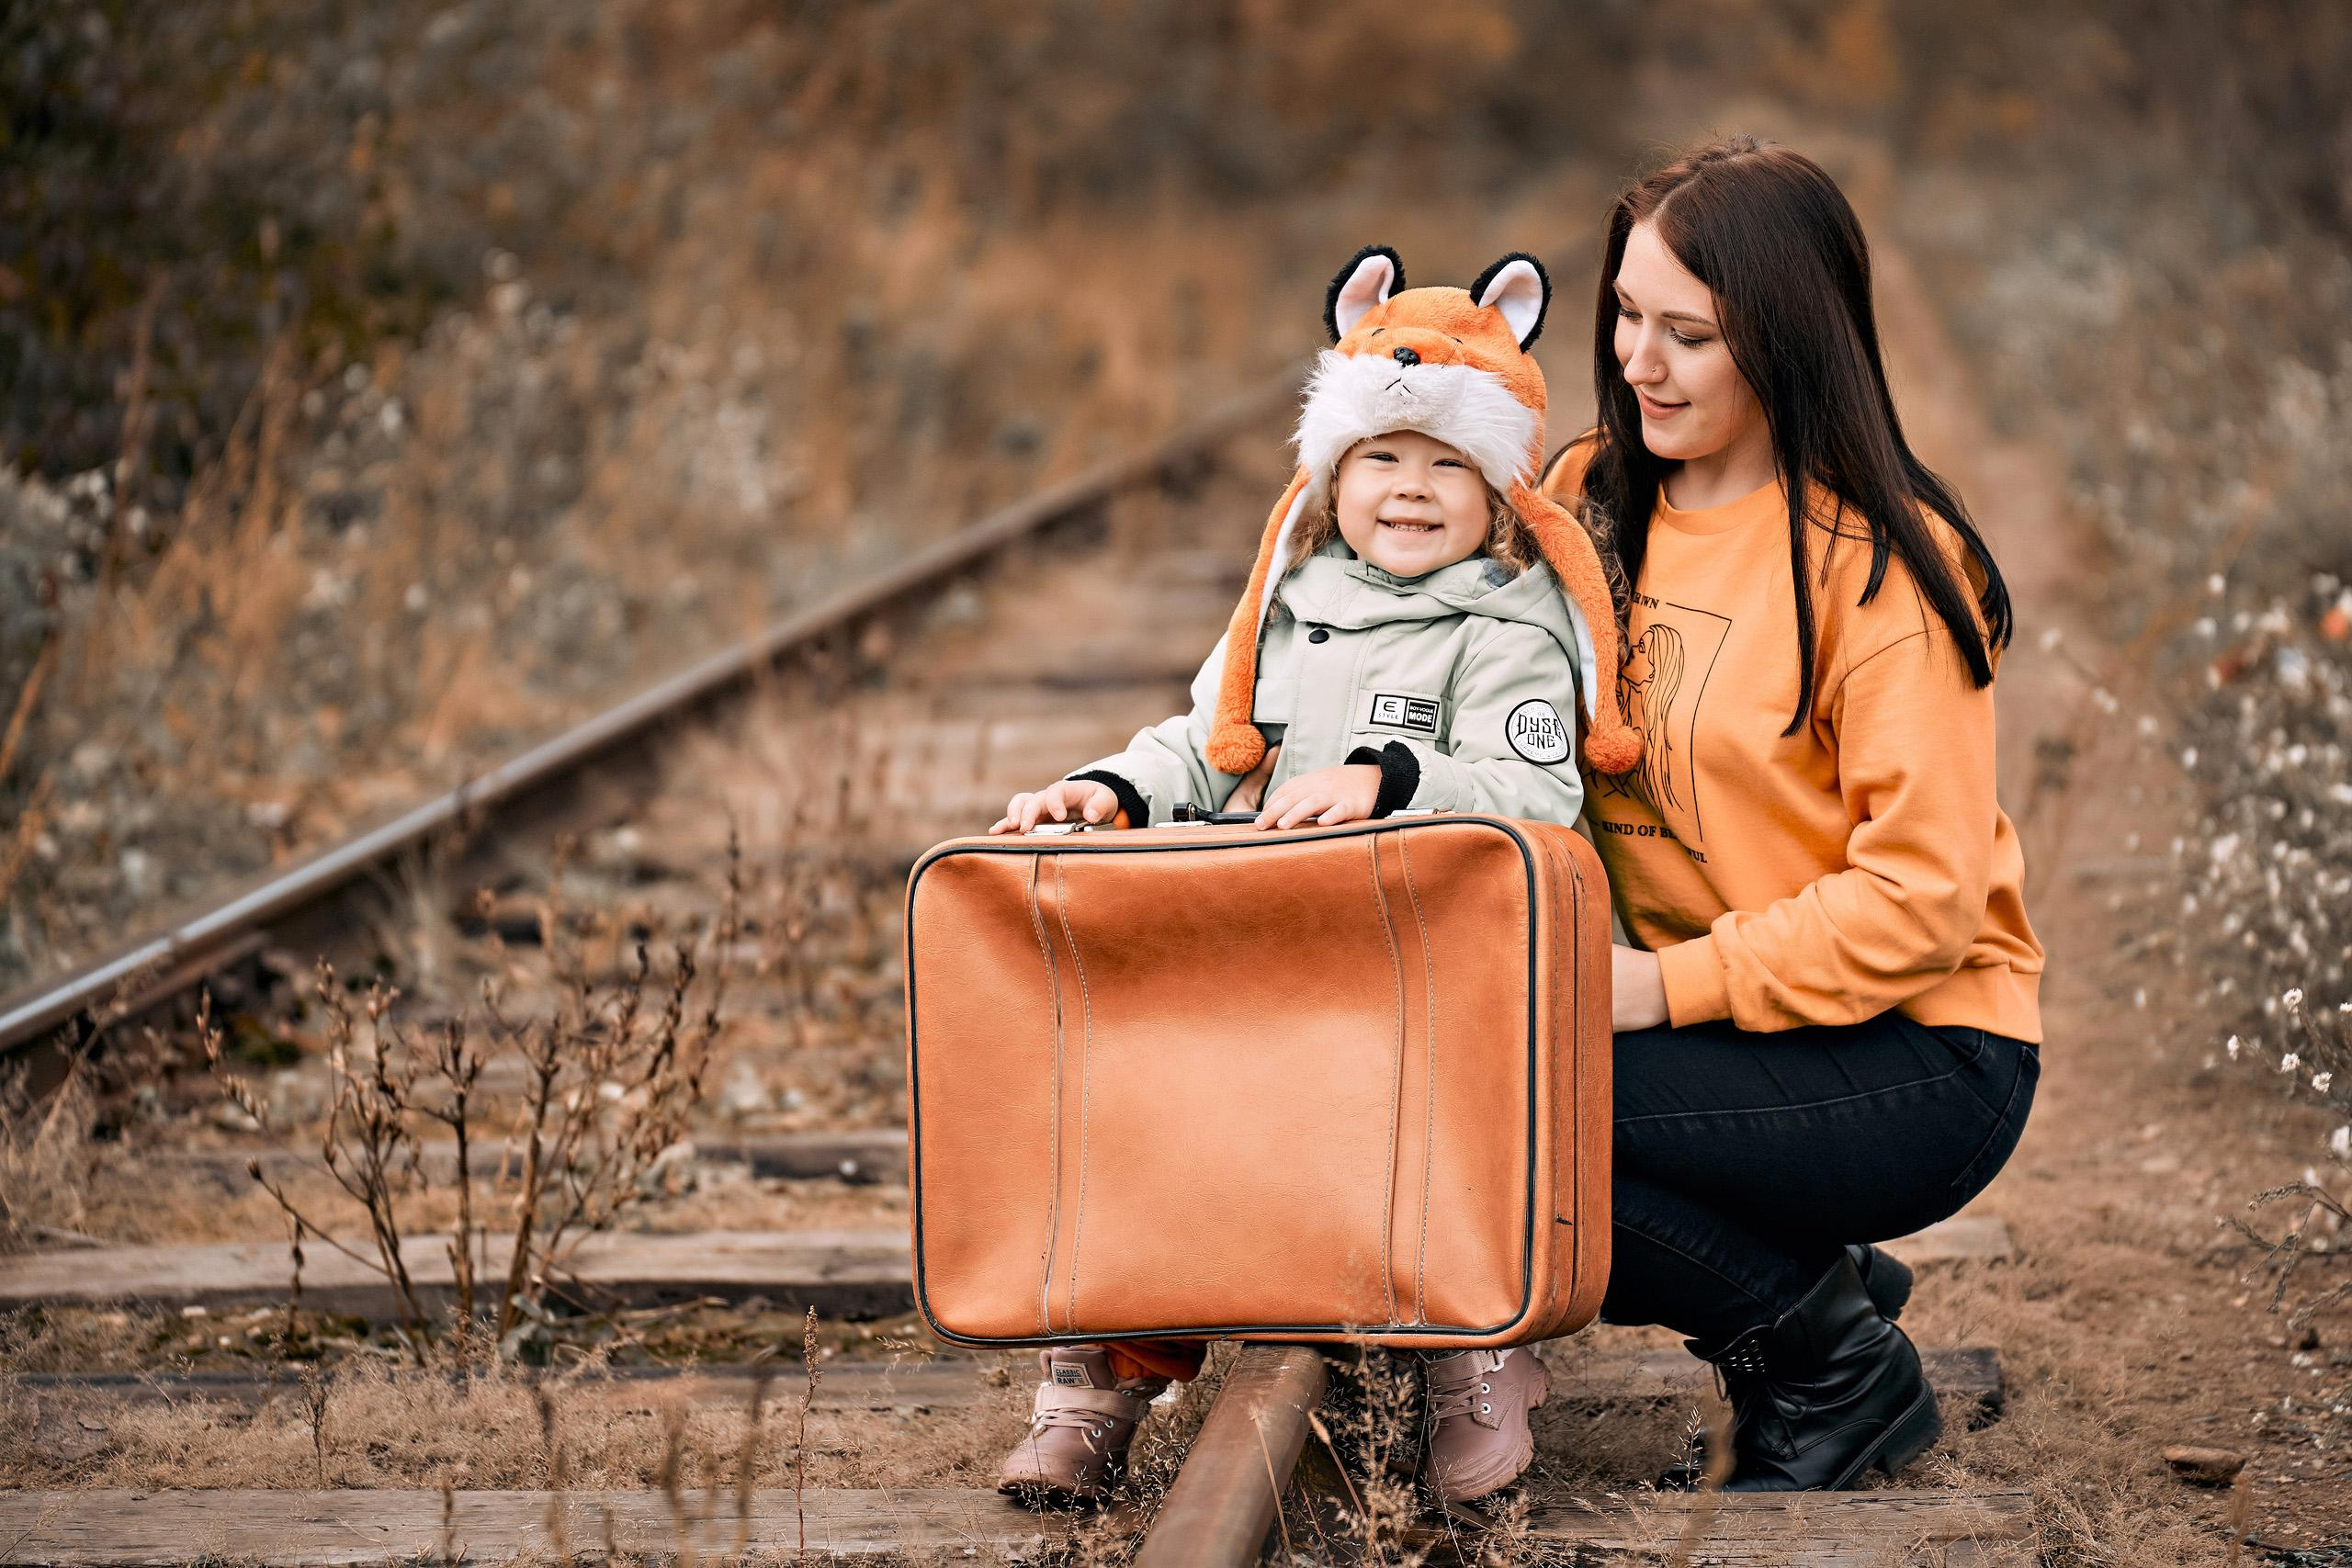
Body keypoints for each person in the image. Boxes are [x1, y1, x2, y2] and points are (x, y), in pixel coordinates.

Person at [986, 245, 1636, 1506]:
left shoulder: (1506, 630)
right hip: (1269, 958)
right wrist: (1113, 789)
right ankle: (1105, 1366)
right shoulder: (1289, 602)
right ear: (1332, 477)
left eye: (1448, 465)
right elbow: (1209, 743)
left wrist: (1393, 780)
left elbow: (1534, 793)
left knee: (1447, 1127)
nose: (1409, 488)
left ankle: (1472, 1347)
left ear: (1499, 495)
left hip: (1423, 970)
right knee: (1151, 1101)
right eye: (1381, 459)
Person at [1541, 136, 2045, 1492]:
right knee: (1464, 1079)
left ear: (1787, 337)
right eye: (1626, 315)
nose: (1640, 361)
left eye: (1687, 334)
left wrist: (1660, 989)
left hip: (1922, 1050)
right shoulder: (1585, 503)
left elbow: (1922, 905)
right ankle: (1794, 1263)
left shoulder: (1876, 569)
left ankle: (1822, 1355)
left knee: (1523, 1108)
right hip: (1723, 1028)